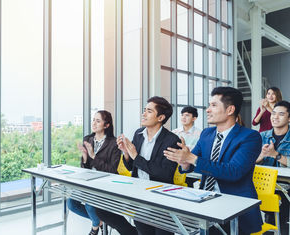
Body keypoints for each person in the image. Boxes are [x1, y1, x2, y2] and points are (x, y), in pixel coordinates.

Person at [164, 87, 263, 235]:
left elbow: (233, 171)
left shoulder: (250, 137)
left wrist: (191, 158)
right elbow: (192, 162)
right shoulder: (207, 134)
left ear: (230, 110)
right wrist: (184, 162)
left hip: (236, 209)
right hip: (206, 202)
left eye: (214, 105)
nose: (207, 110)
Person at [96, 96, 180, 235]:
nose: (144, 114)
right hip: (138, 194)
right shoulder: (138, 134)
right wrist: (127, 154)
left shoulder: (171, 140)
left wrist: (135, 156)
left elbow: (165, 174)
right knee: (102, 209)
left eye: (149, 111)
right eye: (144, 110)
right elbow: (132, 167)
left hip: (160, 200)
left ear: (160, 118)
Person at [69, 110, 121, 235]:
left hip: (105, 183)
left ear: (106, 125)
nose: (94, 123)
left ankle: (95, 227)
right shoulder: (88, 139)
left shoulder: (114, 143)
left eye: (98, 121)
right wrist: (85, 158)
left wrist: (93, 156)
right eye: (93, 120)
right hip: (89, 181)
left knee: (90, 204)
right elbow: (84, 167)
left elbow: (112, 171)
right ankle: (100, 221)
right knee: (71, 203)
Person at [256, 100, 290, 234]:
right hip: (264, 185)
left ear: (289, 118)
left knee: (280, 215)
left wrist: (276, 155)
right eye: (273, 113)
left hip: (285, 186)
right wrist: (262, 155)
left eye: (281, 114)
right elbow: (250, 161)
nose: (275, 117)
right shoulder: (261, 136)